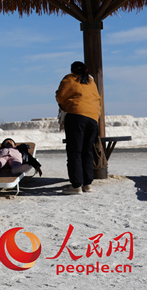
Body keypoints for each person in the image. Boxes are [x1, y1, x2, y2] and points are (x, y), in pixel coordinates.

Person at [56, 61, 102, 194]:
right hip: (93, 118)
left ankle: (76, 186)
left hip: (76, 116)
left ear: (72, 70)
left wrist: (64, 105)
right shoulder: (90, 82)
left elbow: (60, 96)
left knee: (75, 151)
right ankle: (87, 184)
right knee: (87, 151)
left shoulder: (70, 78)